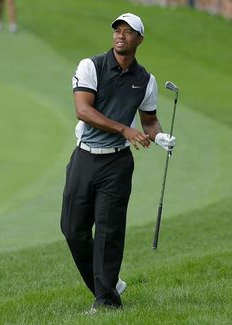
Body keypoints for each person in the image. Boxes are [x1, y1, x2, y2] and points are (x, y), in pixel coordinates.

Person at [60, 13, 176, 313]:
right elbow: (83, 110)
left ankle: (108, 301)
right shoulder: (91, 66)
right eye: (117, 31)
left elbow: (149, 121)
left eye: (128, 32)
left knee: (109, 234)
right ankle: (109, 285)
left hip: (117, 165)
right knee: (73, 230)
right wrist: (125, 129)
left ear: (140, 39)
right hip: (85, 157)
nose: (120, 35)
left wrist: (160, 136)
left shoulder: (145, 80)